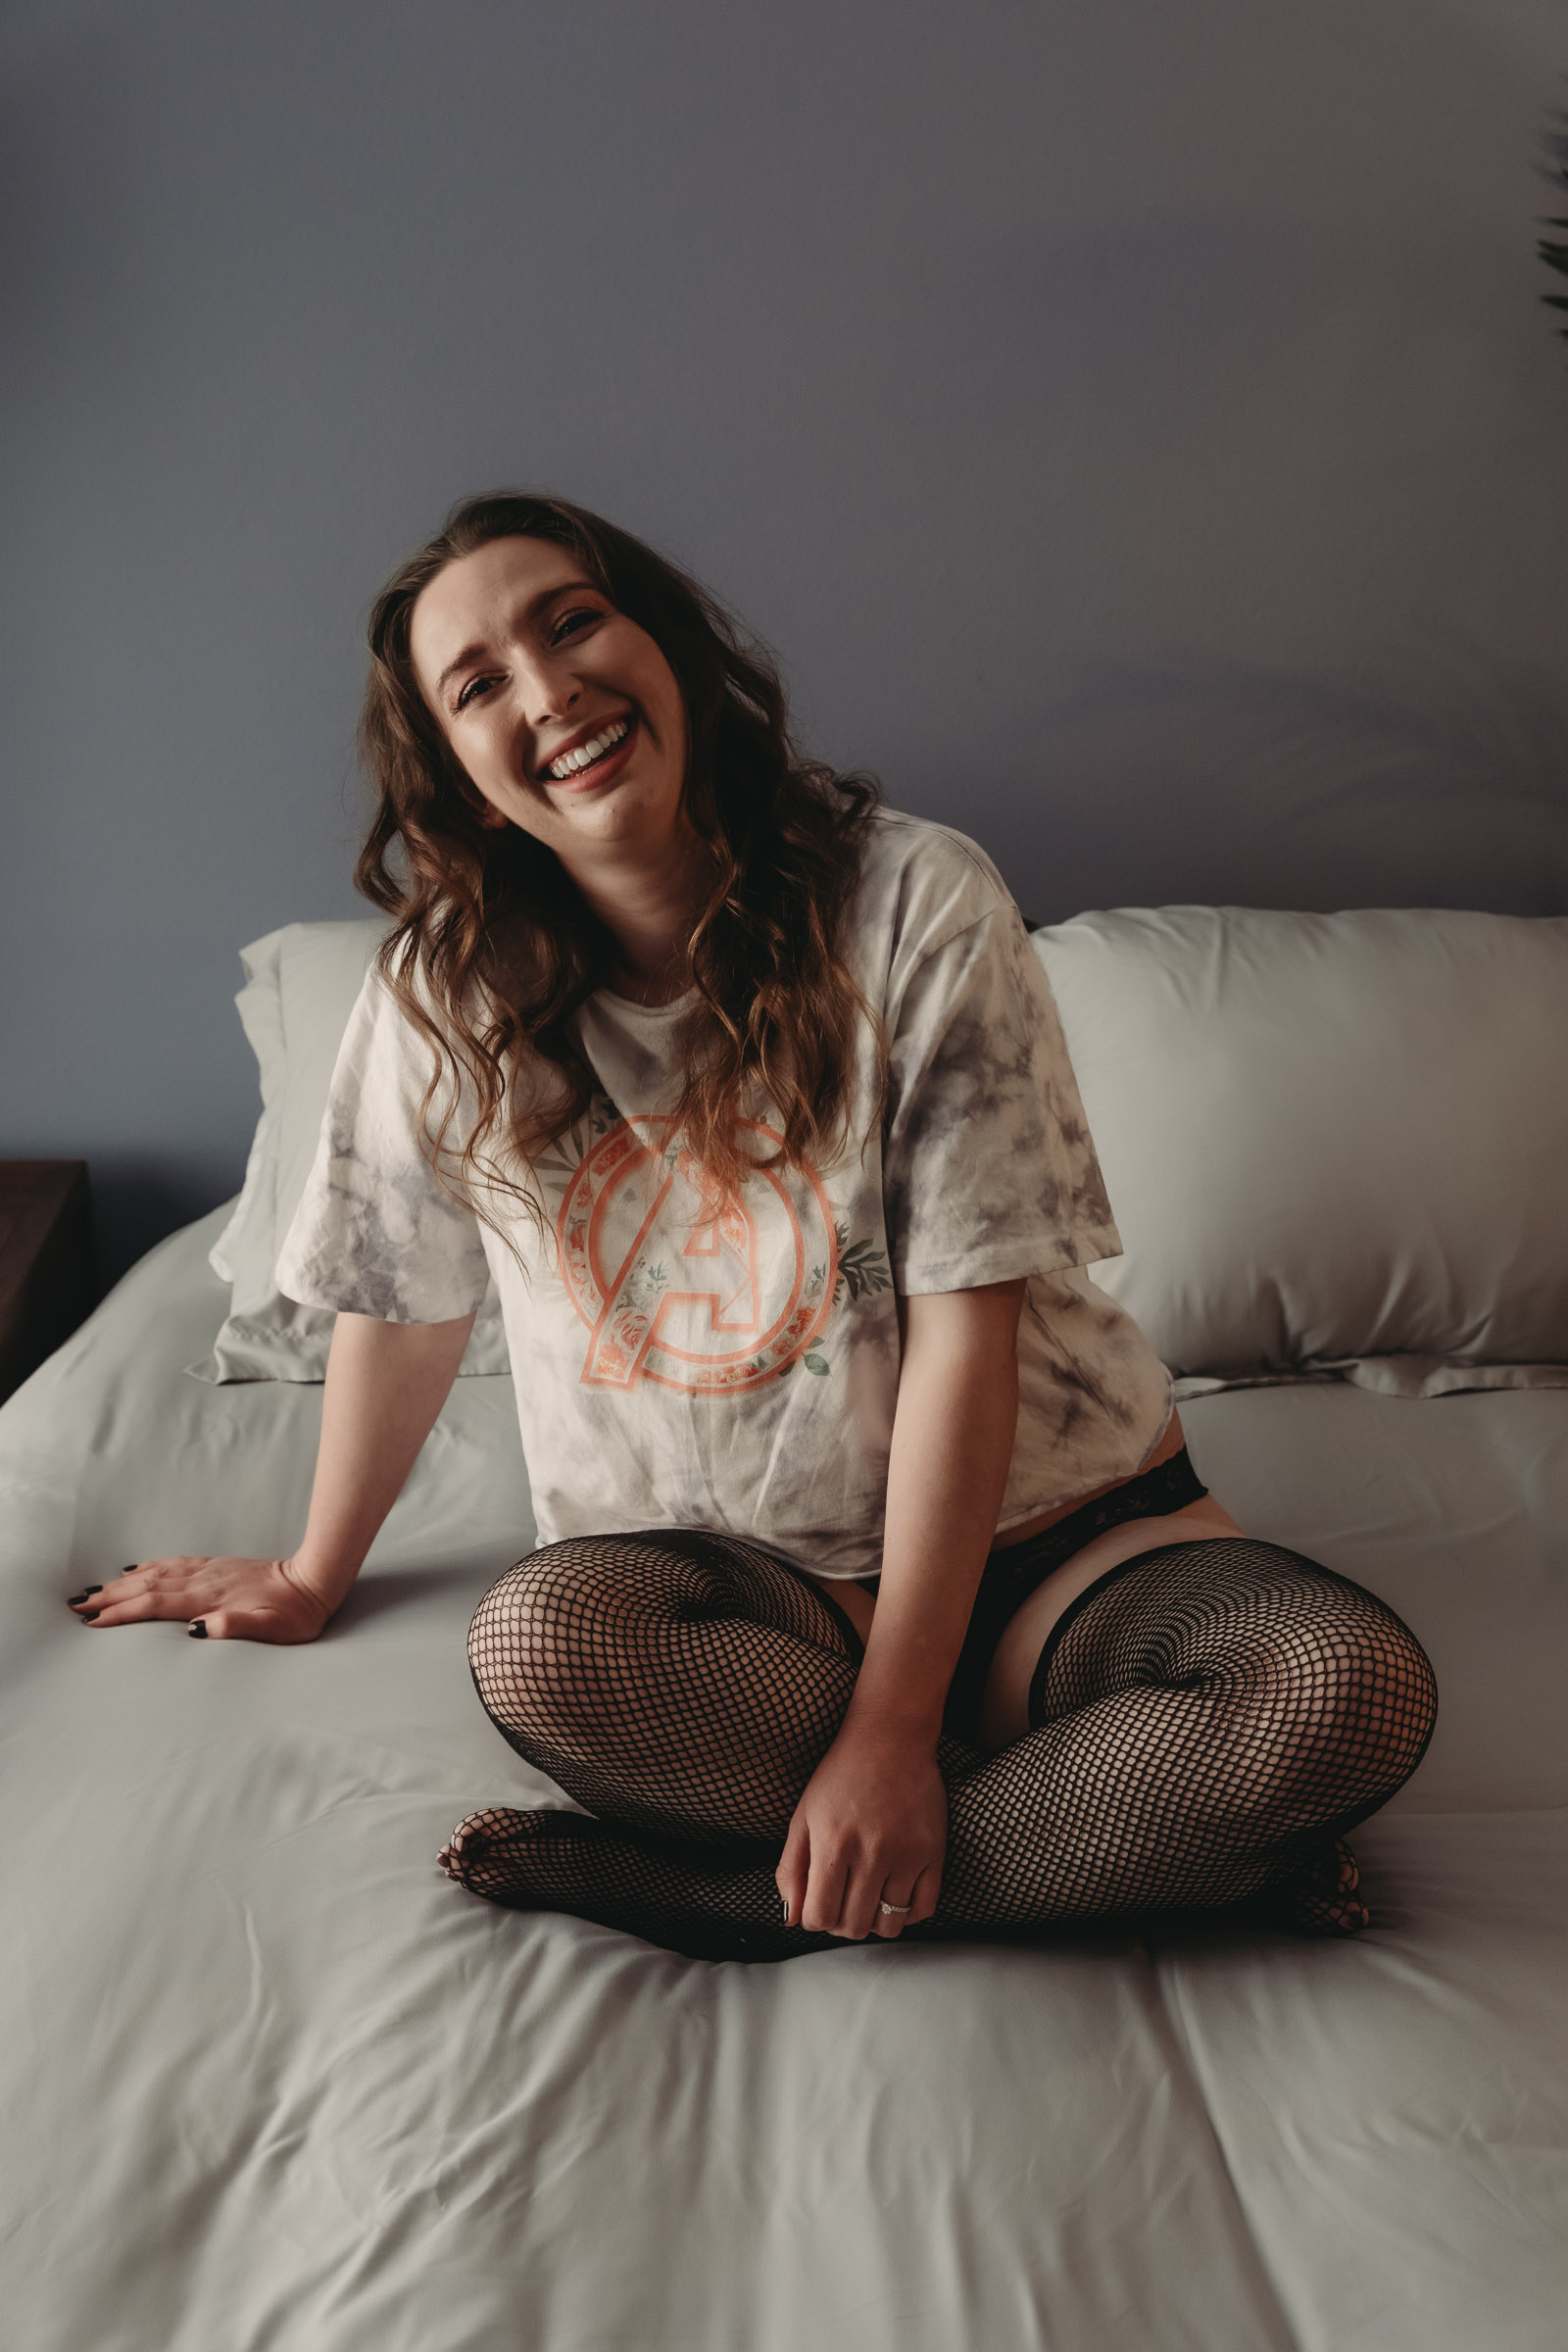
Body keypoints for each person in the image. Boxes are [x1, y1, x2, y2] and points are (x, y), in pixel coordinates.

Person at [69, 493, 1438, 1960]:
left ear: (668, 648)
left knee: (1342, 1691)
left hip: (1062, 1545)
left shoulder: (916, 898)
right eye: (479, 685)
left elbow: (965, 1332)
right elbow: (402, 1302)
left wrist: (896, 1739)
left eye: (573, 619)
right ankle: (1130, 1849)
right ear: (464, 782)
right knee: (537, 1646)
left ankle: (735, 1900)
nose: (550, 688)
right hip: (746, 1598)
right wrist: (309, 1569)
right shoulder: (439, 997)